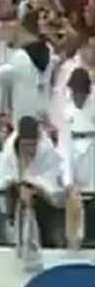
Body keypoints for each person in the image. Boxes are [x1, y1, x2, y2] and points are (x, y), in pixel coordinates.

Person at [0, 115, 65, 251]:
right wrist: (19, 187)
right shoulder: (9, 151)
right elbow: (4, 180)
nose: (31, 150)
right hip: (17, 203)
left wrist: (34, 187)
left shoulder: (46, 148)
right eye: (27, 145)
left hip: (44, 206)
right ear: (19, 141)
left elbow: (52, 181)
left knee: (47, 239)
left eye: (34, 145)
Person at [56, 68, 95, 247]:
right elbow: (64, 147)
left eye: (81, 93)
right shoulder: (67, 112)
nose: (78, 97)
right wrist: (68, 180)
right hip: (75, 161)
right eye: (75, 93)